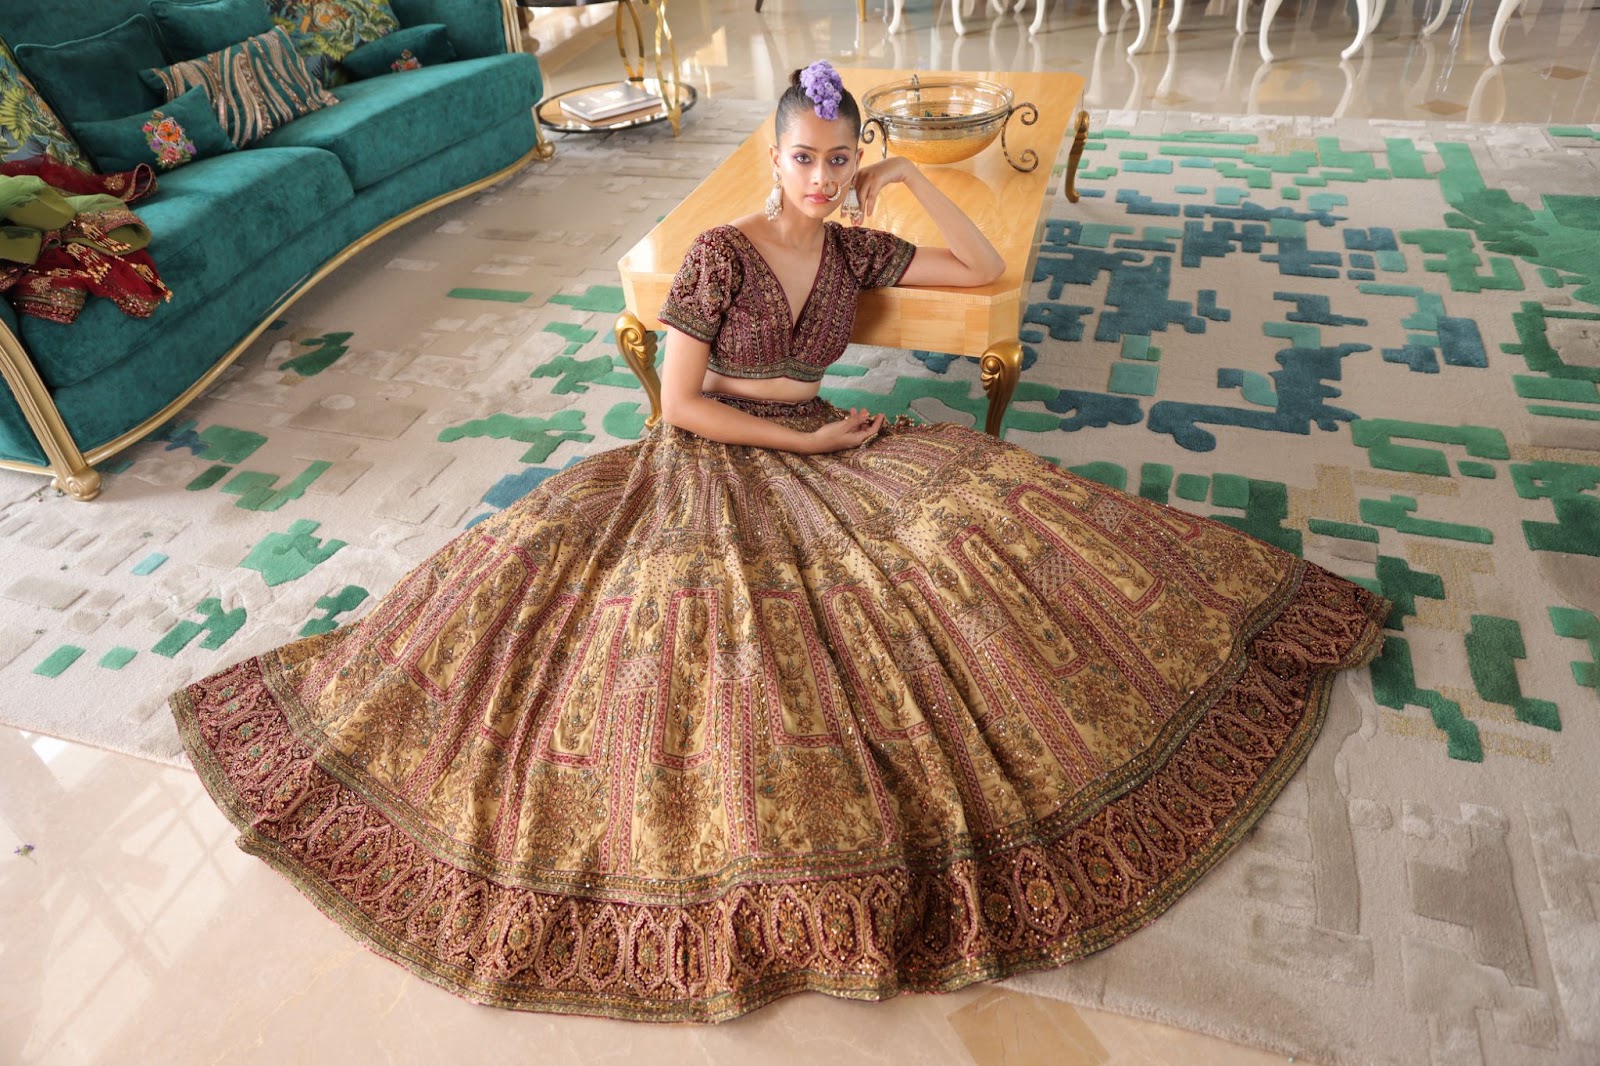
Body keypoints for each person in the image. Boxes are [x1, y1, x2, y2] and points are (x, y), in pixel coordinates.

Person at [171, 60, 1390, 1024]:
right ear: (772, 153)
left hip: (822, 429)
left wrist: (905, 173)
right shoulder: (719, 253)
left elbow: (979, 261)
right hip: (717, 462)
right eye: (804, 158)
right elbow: (677, 405)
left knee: (997, 519)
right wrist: (793, 438)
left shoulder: (856, 237)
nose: (819, 176)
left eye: (837, 159)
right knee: (696, 643)